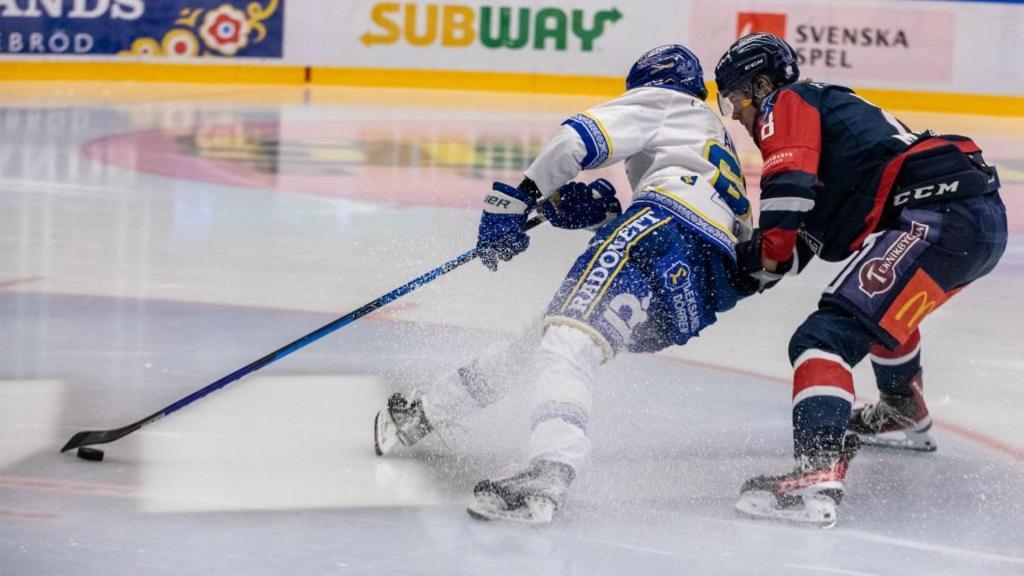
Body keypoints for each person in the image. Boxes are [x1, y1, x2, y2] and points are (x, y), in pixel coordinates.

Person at [374, 44, 757, 524]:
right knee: (549, 340)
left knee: (567, 341)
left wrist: (523, 196)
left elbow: (577, 139)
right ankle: (428, 413)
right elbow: (718, 222)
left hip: (661, 230)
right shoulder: (710, 140)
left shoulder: (667, 100)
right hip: (704, 283)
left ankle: (548, 466)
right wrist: (604, 212)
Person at [714, 33, 1007, 526]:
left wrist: (752, 256)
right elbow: (800, 241)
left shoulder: (787, 101)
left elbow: (787, 194)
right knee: (871, 312)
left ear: (762, 84)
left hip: (940, 216)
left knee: (822, 339)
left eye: (737, 99)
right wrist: (754, 267)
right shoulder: (836, 123)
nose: (738, 116)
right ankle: (900, 411)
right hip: (969, 220)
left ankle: (817, 471)